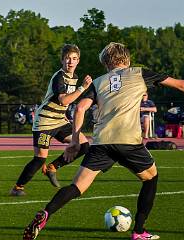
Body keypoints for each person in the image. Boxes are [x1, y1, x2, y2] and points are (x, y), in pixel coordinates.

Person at [23, 42, 184, 240]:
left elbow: (80, 108)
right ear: (127, 58)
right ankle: (139, 232)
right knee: (151, 178)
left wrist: (75, 141)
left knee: (76, 187)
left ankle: (46, 213)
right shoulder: (139, 73)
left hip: (101, 143)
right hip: (127, 141)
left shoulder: (98, 81)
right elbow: (180, 84)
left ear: (107, 64)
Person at [10, 44, 92, 196]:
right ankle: (17, 188)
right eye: (67, 58)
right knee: (39, 159)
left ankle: (53, 167)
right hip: (44, 121)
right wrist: (82, 88)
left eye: (74, 59)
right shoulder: (59, 77)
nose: (70, 62)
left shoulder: (74, 77)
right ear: (62, 60)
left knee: (84, 145)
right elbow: (64, 101)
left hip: (60, 120)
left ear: (78, 61)